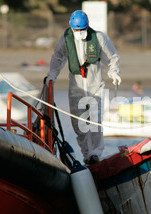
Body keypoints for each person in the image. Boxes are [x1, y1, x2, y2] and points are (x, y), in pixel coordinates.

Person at [45, 10, 121, 165]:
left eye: (82, 30)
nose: (79, 33)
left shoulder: (99, 38)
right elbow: (58, 57)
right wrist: (52, 74)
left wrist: (114, 72)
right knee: (79, 124)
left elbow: (112, 57)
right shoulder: (66, 39)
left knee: (95, 122)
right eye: (76, 30)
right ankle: (86, 154)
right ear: (71, 28)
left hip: (95, 86)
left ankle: (96, 154)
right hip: (76, 87)